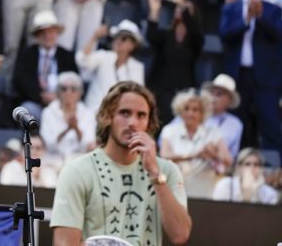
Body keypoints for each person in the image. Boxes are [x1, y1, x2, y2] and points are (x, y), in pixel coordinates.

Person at [51, 81, 192, 245]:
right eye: (124, 113)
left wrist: (154, 173)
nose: (133, 122)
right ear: (108, 116)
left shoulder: (167, 171)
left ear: (148, 123)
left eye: (141, 115)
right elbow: (64, 243)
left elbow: (180, 235)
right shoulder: (76, 171)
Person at [219, 0, 282, 156]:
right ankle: (236, 167)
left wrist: (261, 16)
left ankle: (274, 171)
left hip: (266, 78)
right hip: (237, 76)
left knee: (270, 124)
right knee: (237, 123)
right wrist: (245, 21)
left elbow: (279, 34)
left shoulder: (273, 10)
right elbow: (225, 35)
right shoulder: (232, 9)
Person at [7, 10, 79, 126]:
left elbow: (75, 81)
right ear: (37, 35)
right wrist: (41, 96)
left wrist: (58, 97)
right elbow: (20, 81)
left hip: (61, 105)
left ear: (56, 33)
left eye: (51, 31)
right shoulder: (27, 54)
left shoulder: (67, 56)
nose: (47, 36)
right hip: (36, 104)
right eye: (42, 33)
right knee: (26, 111)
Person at [159, 88, 233, 198]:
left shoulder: (213, 132)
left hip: (205, 194)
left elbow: (228, 160)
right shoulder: (169, 130)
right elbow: (164, 156)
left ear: (202, 113)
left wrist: (213, 155)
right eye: (186, 109)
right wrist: (194, 155)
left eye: (195, 110)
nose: (190, 113)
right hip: (176, 193)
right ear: (180, 111)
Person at [145, 0, 203, 123]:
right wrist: (154, 10)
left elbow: (194, 31)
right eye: (178, 8)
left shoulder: (195, 41)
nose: (181, 10)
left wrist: (182, 3)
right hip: (161, 92)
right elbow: (151, 35)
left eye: (185, 9)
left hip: (182, 94)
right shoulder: (166, 37)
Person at [77, 20, 145, 111]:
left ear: (132, 45)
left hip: (118, 117)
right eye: (116, 37)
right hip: (93, 113)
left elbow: (137, 95)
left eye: (123, 38)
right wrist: (94, 37)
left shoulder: (137, 67)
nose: (118, 41)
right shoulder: (103, 56)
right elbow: (82, 61)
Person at [40, 71, 96, 159]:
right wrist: (67, 129)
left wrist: (76, 128)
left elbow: (89, 145)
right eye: (64, 89)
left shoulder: (88, 113)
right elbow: (48, 144)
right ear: (58, 92)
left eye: (73, 89)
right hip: (53, 160)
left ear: (80, 93)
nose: (68, 92)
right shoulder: (48, 112)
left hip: (79, 160)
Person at [212, 147, 280, 204]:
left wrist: (256, 193)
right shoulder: (225, 185)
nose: (252, 168)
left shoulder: (270, 194)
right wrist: (246, 195)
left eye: (256, 165)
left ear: (261, 169)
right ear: (238, 168)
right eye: (247, 164)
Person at [202, 73, 243, 158]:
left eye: (219, 94)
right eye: (211, 93)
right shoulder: (194, 113)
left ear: (229, 100)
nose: (213, 97)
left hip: (221, 167)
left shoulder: (235, 123)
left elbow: (233, 155)